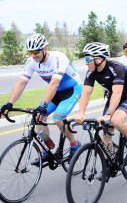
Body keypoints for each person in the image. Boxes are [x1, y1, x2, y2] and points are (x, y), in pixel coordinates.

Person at [0, 33, 82, 165]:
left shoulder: (58, 58)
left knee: (58, 119)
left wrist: (43, 105)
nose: (33, 55)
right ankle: (47, 149)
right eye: (30, 52)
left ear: (44, 49)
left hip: (71, 90)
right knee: (38, 117)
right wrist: (10, 103)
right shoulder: (32, 62)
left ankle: (74, 144)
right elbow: (22, 83)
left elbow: (54, 83)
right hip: (55, 91)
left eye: (35, 51)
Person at [74, 42, 127, 163]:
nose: (86, 62)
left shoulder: (116, 68)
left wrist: (109, 113)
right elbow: (86, 92)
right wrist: (81, 113)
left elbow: (117, 92)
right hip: (113, 97)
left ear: (99, 59)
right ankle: (108, 163)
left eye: (88, 59)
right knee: (106, 131)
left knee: (115, 121)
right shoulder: (91, 71)